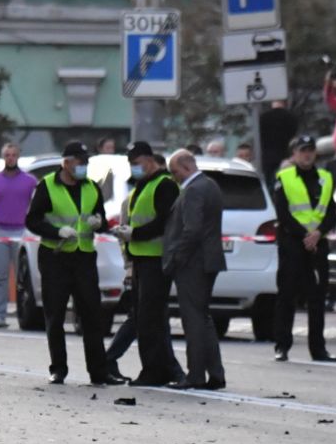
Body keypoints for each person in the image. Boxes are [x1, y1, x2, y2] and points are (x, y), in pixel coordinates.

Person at [25, 141, 116, 385]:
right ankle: (58, 369)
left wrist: (99, 223)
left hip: (84, 257)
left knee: (91, 315)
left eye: (85, 161)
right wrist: (56, 231)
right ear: (66, 163)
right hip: (55, 257)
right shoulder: (47, 186)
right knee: (55, 315)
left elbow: (101, 219)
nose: (83, 166)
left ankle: (99, 371)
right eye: (79, 161)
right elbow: (32, 221)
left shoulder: (91, 187)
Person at [118, 144, 184, 386]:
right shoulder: (143, 184)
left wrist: (134, 234)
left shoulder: (164, 185)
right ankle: (164, 370)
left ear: (148, 159)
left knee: (150, 319)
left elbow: (163, 222)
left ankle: (155, 371)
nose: (133, 167)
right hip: (141, 258)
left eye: (136, 162)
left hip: (156, 259)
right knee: (146, 318)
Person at [163, 150, 227, 390]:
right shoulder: (210, 185)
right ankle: (215, 373)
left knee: (194, 320)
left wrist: (175, 258)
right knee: (203, 317)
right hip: (207, 261)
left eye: (175, 171)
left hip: (193, 264)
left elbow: (192, 230)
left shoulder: (193, 190)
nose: (173, 176)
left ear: (186, 167)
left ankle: (196, 375)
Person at [272, 135, 336, 363]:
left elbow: (331, 211)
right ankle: (282, 346)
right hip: (292, 244)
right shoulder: (284, 178)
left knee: (317, 298)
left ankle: (318, 349)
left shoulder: (326, 177)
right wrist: (304, 236)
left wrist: (318, 233)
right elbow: (282, 213)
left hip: (317, 245)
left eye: (310, 150)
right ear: (294, 154)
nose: (307, 154)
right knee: (286, 296)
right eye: (302, 150)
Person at [0, 142, 39, 328]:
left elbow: (37, 205)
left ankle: (25, 314)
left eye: (13, 154)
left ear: (18, 156)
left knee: (23, 277)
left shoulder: (29, 181)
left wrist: (35, 227)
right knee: (0, 275)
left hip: (22, 231)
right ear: (3, 157)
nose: (10, 158)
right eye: (7, 155)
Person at [256, 99, 297, 184]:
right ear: (285, 103)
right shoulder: (291, 117)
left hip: (268, 158)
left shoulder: (263, 118)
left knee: (270, 184)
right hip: (286, 157)